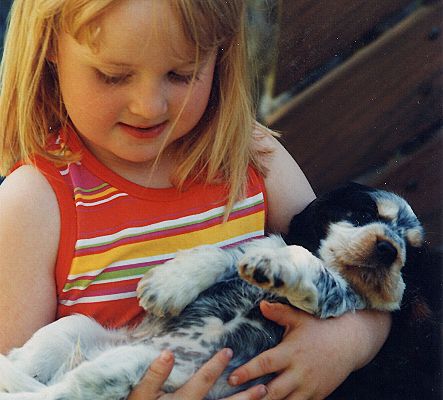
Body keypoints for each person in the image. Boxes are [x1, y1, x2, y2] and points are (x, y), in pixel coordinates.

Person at [0, 0, 391, 399]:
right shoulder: (34, 202)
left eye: (181, 73)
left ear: (220, 52)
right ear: (50, 46)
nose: (149, 106)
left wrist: (349, 341)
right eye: (113, 76)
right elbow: (11, 384)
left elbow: (360, 289)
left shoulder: (251, 158)